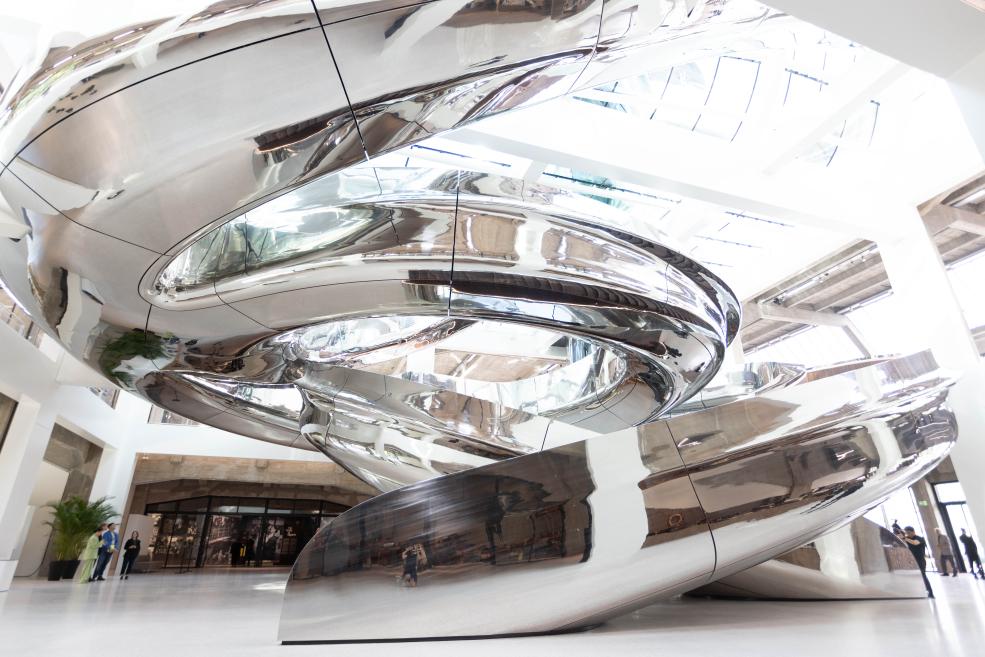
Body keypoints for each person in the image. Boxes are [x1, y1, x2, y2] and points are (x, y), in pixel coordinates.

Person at [901, 526, 934, 598]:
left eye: (909, 532)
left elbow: (915, 543)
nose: (907, 534)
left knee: (923, 576)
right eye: (906, 533)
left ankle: (930, 592)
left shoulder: (919, 538)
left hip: (920, 560)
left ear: (913, 531)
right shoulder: (907, 538)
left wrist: (904, 538)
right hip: (912, 560)